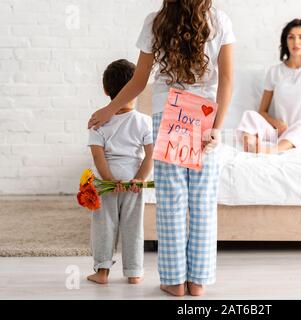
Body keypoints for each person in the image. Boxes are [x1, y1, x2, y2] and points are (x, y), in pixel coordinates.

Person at [87, 0, 235, 296]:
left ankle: (174, 281)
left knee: (172, 201)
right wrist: (216, 127)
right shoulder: (220, 20)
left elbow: (139, 80)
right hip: (203, 115)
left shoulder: (156, 21)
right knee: (203, 202)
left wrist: (109, 108)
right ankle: (198, 282)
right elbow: (228, 79)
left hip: (169, 113)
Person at [87, 59, 154, 285]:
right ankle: (134, 272)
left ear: (106, 90)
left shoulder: (98, 122)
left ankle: (102, 272)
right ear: (138, 88)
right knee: (133, 226)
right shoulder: (145, 122)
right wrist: (140, 179)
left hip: (108, 184)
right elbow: (150, 155)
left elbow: (98, 156)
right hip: (133, 181)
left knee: (104, 225)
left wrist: (108, 179)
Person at [238, 19, 301, 154]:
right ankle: (250, 144)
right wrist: (276, 123)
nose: (296, 42)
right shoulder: (274, 72)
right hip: (280, 132)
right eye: (291, 37)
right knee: (249, 115)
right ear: (285, 41)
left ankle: (273, 150)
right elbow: (262, 111)